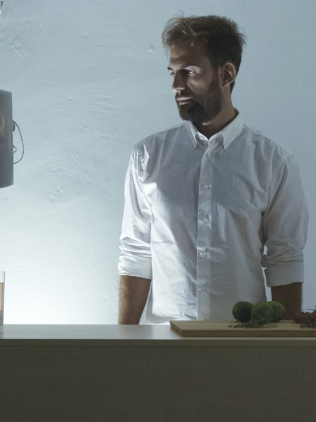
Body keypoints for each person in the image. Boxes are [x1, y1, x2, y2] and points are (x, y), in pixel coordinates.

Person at [118, 15, 308, 324]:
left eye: (189, 72)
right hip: (164, 341)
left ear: (226, 73)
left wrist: (281, 345)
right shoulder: (147, 157)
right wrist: (123, 342)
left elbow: (284, 260)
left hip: (243, 340)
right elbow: (136, 253)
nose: (176, 86)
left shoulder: (274, 163)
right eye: (173, 73)